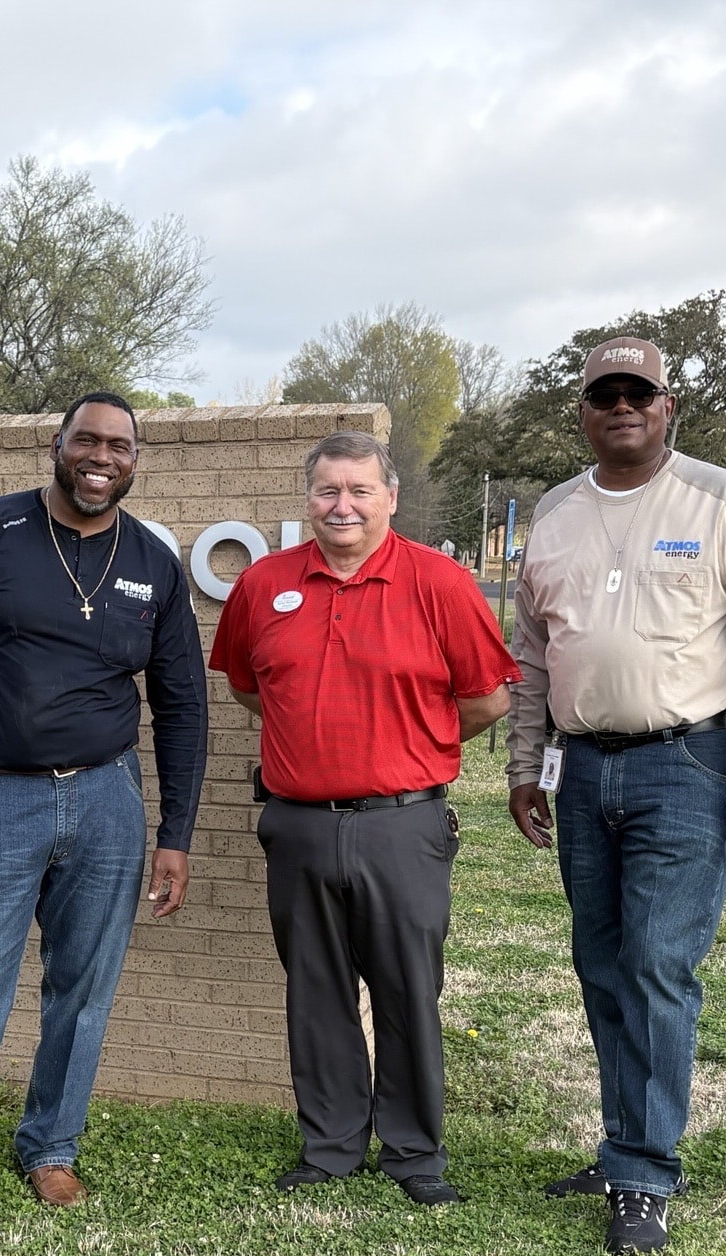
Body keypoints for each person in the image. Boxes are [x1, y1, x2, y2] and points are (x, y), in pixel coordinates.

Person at [506, 336, 726, 1256]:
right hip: (584, 767)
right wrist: (525, 763)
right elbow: (530, 653)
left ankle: (643, 1175)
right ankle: (623, 1142)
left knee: (657, 966)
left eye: (640, 393)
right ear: (585, 411)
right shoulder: (555, 513)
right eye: (606, 394)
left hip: (690, 766)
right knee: (602, 965)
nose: (623, 406)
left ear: (668, 406)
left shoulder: (723, 499)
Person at [0, 392, 207, 1236]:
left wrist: (174, 835)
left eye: (121, 447)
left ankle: (50, 1148)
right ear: (56, 446)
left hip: (107, 798)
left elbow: (181, 705)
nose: (102, 457)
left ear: (135, 461)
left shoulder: (155, 563)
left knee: (84, 990)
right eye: (88, 441)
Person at [209, 430, 516, 1207]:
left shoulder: (441, 583)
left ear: (391, 497)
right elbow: (251, 687)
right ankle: (331, 1146)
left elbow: (487, 698)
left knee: (409, 989)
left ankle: (414, 1153)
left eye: (359, 490)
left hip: (401, 826)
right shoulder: (265, 586)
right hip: (299, 823)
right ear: (307, 498)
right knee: (316, 990)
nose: (342, 506)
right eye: (326, 491)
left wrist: (410, 747)